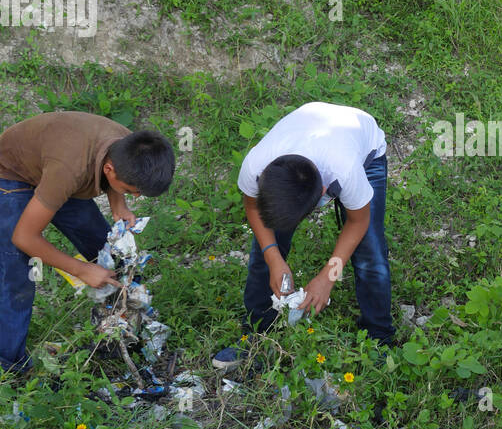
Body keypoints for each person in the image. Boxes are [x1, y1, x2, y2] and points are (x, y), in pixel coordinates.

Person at [213, 101, 395, 369]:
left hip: (363, 144)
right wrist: (274, 258)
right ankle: (256, 333)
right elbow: (253, 207)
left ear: (323, 195)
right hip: (309, 126)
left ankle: (378, 339)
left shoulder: (346, 170)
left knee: (370, 251)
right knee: (266, 244)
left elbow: (358, 222)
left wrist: (328, 277)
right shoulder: (256, 165)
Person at [0, 112, 176, 374]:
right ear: (109, 170)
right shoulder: (68, 170)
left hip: (58, 168)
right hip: (14, 174)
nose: (135, 197)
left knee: (104, 248)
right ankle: (9, 366)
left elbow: (113, 178)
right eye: (130, 191)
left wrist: (120, 204)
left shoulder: (131, 146)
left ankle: (120, 326)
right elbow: (24, 237)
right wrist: (81, 270)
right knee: (17, 271)